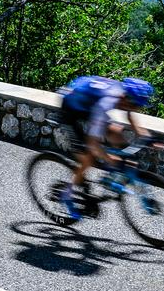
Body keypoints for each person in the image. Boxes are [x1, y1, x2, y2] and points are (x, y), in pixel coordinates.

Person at [55, 75, 156, 221]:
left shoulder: (124, 94)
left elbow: (130, 115)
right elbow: (93, 143)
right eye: (135, 105)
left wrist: (148, 137)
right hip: (70, 107)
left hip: (88, 105)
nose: (137, 109)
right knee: (88, 157)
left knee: (116, 132)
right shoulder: (106, 102)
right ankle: (67, 194)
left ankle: (113, 177)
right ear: (126, 98)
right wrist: (111, 161)